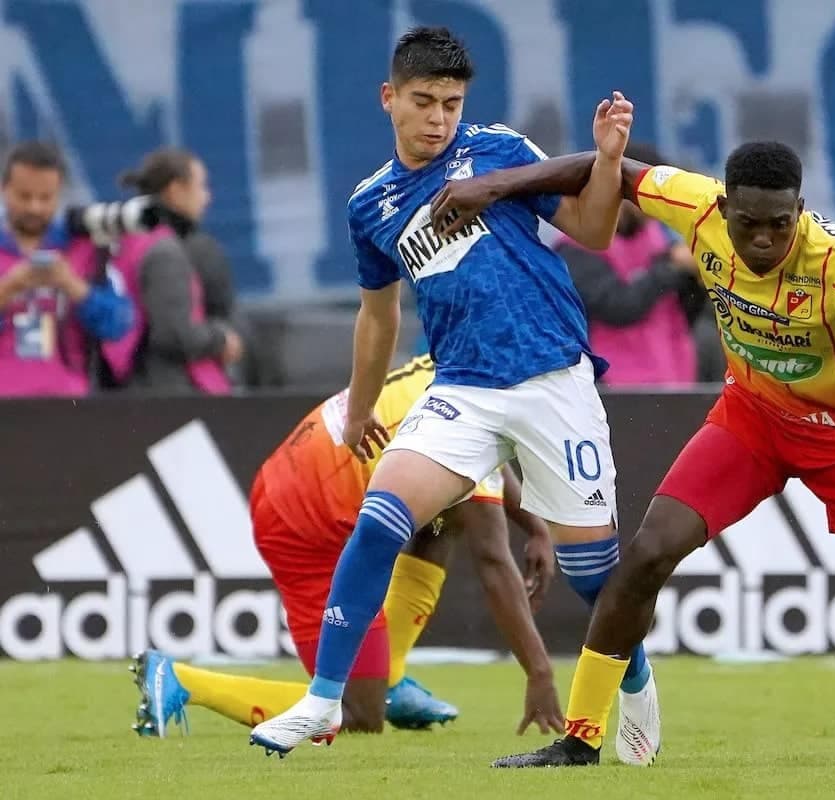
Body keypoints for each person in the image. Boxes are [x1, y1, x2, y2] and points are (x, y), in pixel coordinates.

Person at [429, 141, 835, 767]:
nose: (763, 240)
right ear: (724, 207)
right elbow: (609, 170)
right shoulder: (695, 204)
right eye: (748, 224)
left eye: (779, 226)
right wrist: (495, 185)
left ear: (800, 212)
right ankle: (581, 738)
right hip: (752, 421)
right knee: (647, 554)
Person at [248, 28, 661, 766]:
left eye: (451, 102)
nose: (438, 117)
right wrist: (361, 409)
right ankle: (319, 701)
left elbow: (594, 230)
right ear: (389, 99)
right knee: (379, 519)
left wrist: (604, 161)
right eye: (423, 101)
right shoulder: (370, 204)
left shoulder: (500, 149)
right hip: (461, 386)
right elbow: (379, 317)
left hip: (552, 380)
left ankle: (633, 683)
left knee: (593, 577)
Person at [131, 354, 561, 738]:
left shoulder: (464, 366)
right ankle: (182, 680)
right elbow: (492, 562)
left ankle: (387, 676)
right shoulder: (477, 417)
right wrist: (539, 674)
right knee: (357, 714)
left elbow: (486, 469)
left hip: (300, 477)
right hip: (300, 522)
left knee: (443, 521)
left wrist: (535, 527)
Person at [554, 142, 703, 387]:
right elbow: (618, 307)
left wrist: (694, 277)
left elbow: (683, 313)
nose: (662, 206)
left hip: (673, 378)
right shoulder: (575, 247)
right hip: (610, 388)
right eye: (654, 194)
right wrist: (672, 268)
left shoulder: (657, 236)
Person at [0, 142, 133, 396]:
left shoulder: (85, 247)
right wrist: (9, 288)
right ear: (4, 189)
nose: (34, 207)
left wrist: (74, 287)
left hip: (66, 401)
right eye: (24, 196)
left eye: (45, 198)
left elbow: (120, 324)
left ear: (59, 194)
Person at [106, 148, 242, 393]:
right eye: (201, 187)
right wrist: (222, 339)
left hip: (126, 384)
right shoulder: (168, 251)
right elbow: (176, 333)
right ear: (176, 190)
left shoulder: (125, 241)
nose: (207, 197)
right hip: (170, 393)